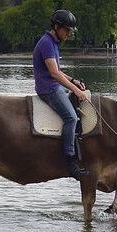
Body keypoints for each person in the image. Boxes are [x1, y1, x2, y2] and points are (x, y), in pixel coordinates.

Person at [33, 9, 91, 178]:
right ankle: (70, 160)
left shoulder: (53, 43)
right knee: (71, 117)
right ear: (57, 27)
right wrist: (76, 90)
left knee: (75, 108)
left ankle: (76, 141)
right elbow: (54, 74)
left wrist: (73, 81)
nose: (68, 34)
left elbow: (58, 70)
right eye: (67, 30)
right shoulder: (46, 43)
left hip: (53, 85)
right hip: (48, 88)